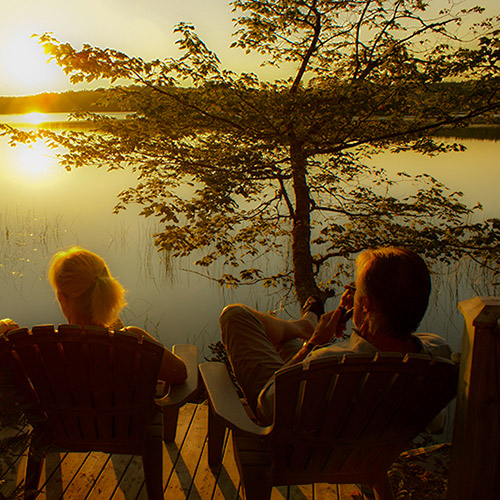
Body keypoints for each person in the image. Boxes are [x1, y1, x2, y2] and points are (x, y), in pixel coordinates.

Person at [219, 247, 452, 424]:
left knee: (235, 316)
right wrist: (362, 323)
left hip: (296, 443)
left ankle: (305, 326)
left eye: (356, 291)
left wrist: (312, 344)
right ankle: (304, 325)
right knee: (288, 340)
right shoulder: (437, 357)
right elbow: (437, 422)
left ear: (367, 304)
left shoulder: (329, 366)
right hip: (365, 452)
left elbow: (266, 405)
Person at [1, 246, 187, 384]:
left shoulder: (40, 349)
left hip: (64, 434)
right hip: (127, 433)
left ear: (62, 297)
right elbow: (180, 374)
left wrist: (5, 329)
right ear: (106, 288)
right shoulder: (132, 342)